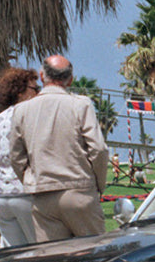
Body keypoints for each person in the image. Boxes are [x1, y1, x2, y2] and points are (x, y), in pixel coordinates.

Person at [9, 54, 109, 241]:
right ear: (70, 79)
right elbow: (98, 149)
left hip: (43, 196)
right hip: (79, 191)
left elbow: (16, 156)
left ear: (41, 76)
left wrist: (30, 180)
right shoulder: (81, 105)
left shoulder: (22, 110)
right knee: (93, 255)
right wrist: (98, 184)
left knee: (53, 261)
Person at [0, 67, 41, 246]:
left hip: (1, 195)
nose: (38, 93)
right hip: (24, 192)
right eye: (35, 89)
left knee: (14, 254)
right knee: (39, 250)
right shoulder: (29, 116)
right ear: (20, 91)